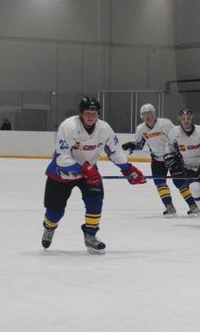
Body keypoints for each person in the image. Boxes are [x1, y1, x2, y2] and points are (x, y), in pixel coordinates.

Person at [40, 97, 146, 253]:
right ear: (81, 113)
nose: (91, 116)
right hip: (62, 174)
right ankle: (49, 228)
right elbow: (63, 158)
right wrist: (84, 169)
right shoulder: (68, 127)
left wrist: (127, 168)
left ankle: (90, 235)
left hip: (89, 172)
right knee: (55, 212)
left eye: (94, 113)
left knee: (95, 202)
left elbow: (115, 150)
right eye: (87, 113)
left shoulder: (104, 129)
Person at [121, 103, 199, 218]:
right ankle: (169, 207)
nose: (148, 116)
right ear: (141, 116)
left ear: (154, 113)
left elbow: (177, 137)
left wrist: (179, 153)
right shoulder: (141, 129)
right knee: (160, 183)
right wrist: (132, 146)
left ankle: (193, 206)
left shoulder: (165, 123)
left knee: (180, 182)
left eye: (150, 113)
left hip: (172, 158)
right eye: (145, 114)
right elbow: (140, 144)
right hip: (157, 160)